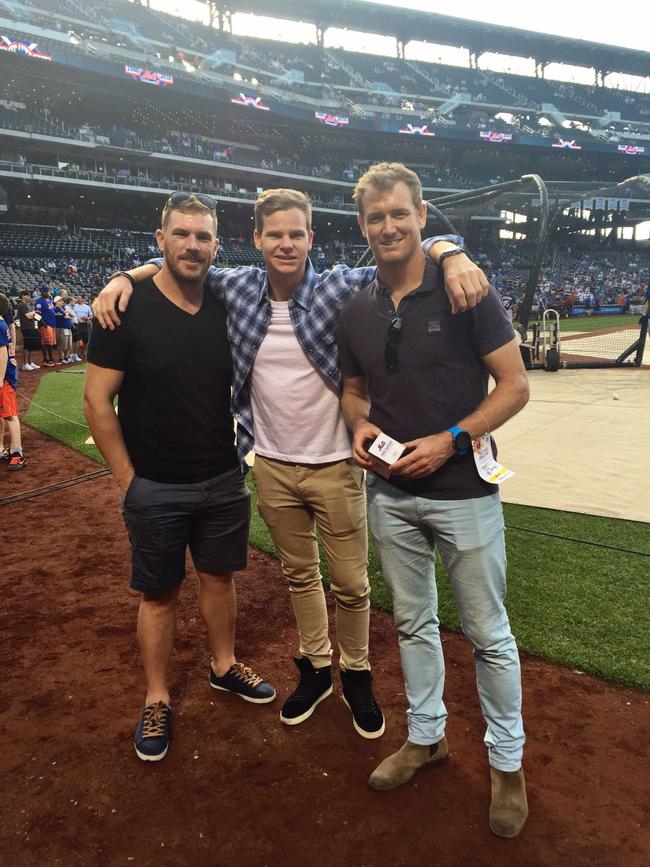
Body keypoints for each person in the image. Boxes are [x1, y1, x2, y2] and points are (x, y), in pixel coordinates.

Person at [92, 187, 489, 740]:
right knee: (300, 578)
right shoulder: (234, 287)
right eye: (273, 234)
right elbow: (176, 260)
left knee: (351, 584)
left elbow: (402, 253)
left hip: (336, 465)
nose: (285, 244)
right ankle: (316, 667)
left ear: (311, 237)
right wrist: (123, 278)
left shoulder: (341, 287)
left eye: (296, 234)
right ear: (255, 239)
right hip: (272, 464)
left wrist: (453, 252)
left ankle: (356, 673)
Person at [336, 163, 529, 837]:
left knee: (489, 634)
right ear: (363, 226)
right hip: (391, 493)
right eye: (375, 217)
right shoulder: (357, 306)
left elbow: (513, 386)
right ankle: (427, 736)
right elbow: (355, 385)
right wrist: (356, 422)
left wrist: (450, 440)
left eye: (398, 213)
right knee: (413, 625)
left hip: (465, 490)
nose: (387, 226)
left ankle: (507, 764)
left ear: (422, 216)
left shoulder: (467, 290)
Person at [83, 193, 275, 764]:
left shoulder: (224, 300)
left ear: (217, 245)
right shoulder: (127, 305)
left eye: (204, 237)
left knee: (220, 579)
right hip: (155, 485)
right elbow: (97, 402)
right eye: (183, 234)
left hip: (220, 476)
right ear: (161, 238)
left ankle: (222, 665)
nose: (193, 245)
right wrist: (129, 482)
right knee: (159, 594)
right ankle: (158, 695)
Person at [0, 293, 26, 469]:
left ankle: (17, 452)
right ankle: (1, 448)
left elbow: (2, 353)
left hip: (4, 377)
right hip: (4, 375)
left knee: (9, 414)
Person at [16, 290, 41, 370]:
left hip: (30, 326)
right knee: (27, 346)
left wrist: (33, 313)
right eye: (28, 295)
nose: (30, 297)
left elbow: (33, 315)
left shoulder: (27, 305)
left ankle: (30, 362)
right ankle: (25, 363)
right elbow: (29, 316)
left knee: (30, 346)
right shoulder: (22, 305)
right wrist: (33, 312)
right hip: (26, 327)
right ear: (23, 296)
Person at [34, 285, 57, 367]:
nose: (48, 293)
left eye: (48, 291)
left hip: (52, 323)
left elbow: (52, 311)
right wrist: (44, 324)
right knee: (46, 342)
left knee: (51, 342)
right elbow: (36, 315)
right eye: (46, 291)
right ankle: (46, 360)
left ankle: (51, 358)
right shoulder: (39, 302)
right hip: (46, 325)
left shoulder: (49, 300)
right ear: (42, 292)